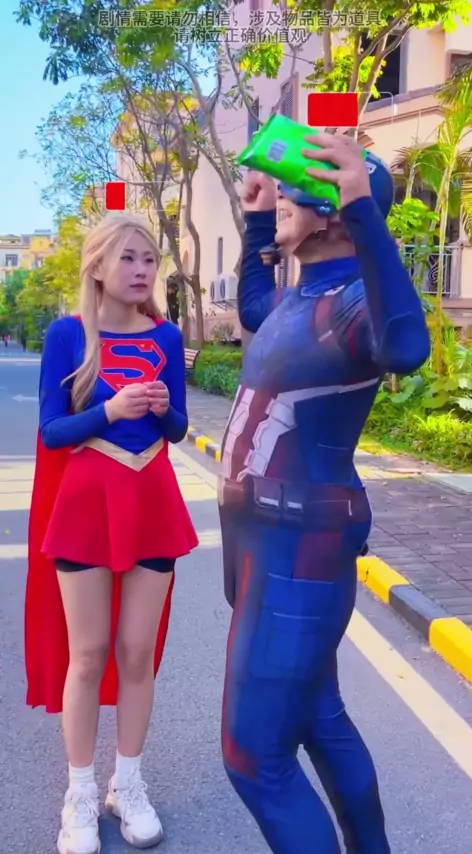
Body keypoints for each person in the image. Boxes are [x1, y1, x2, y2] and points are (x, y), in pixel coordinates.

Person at [218, 134, 430, 854]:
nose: (279, 193)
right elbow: (255, 309)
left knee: (253, 757)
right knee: (317, 714)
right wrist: (255, 221)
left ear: (335, 209)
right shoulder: (301, 296)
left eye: (291, 188)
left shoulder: (354, 304)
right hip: (264, 540)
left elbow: (406, 346)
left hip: (298, 546)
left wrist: (364, 208)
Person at [25, 213, 198, 854]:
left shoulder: (167, 335)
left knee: (136, 651)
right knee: (89, 652)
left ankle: (128, 784)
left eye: (149, 260)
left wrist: (165, 410)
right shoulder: (68, 335)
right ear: (97, 266)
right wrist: (108, 410)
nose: (141, 270)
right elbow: (52, 431)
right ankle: (78, 793)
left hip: (152, 500)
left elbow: (177, 429)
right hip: (85, 506)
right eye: (128, 258)